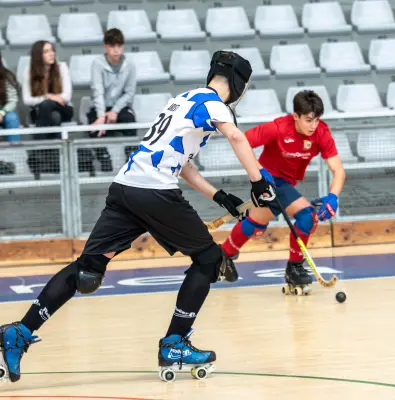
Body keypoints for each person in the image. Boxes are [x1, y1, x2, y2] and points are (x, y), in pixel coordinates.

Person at [0, 50, 277, 383]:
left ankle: (19, 331)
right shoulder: (215, 105)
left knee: (87, 271)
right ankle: (174, 343)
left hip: (126, 188)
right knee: (209, 259)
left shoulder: (182, 101)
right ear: (238, 85)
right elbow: (236, 136)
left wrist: (218, 196)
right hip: (155, 191)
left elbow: (182, 163)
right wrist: (258, 182)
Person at [221, 90, 346, 293]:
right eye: (308, 120)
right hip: (266, 180)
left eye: (317, 120)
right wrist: (258, 171)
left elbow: (338, 169)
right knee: (307, 217)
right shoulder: (278, 128)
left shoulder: (321, 133)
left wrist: (333, 196)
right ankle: (294, 268)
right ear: (295, 116)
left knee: (255, 224)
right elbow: (241, 141)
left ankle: (224, 254)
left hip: (286, 182)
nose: (313, 126)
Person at [21, 40, 74, 179]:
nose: (52, 54)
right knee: (52, 113)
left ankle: (39, 151)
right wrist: (48, 96)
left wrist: (49, 99)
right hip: (41, 112)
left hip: (64, 110)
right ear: (38, 56)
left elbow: (67, 96)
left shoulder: (62, 67)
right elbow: (27, 99)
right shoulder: (29, 71)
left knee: (48, 107)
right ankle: (55, 158)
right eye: (46, 51)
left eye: (52, 50)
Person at [88, 28, 137, 172]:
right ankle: (103, 158)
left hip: (120, 106)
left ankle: (131, 157)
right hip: (101, 107)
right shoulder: (97, 63)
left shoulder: (130, 64)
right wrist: (101, 116)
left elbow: (129, 93)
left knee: (130, 120)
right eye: (112, 46)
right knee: (94, 126)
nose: (116, 50)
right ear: (105, 47)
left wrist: (115, 110)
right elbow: (97, 91)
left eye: (119, 46)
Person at [0, 52, 20, 142]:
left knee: (12, 117)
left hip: (2, 112)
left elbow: (12, 100)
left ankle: (14, 153)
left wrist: (2, 112)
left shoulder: (6, 75)